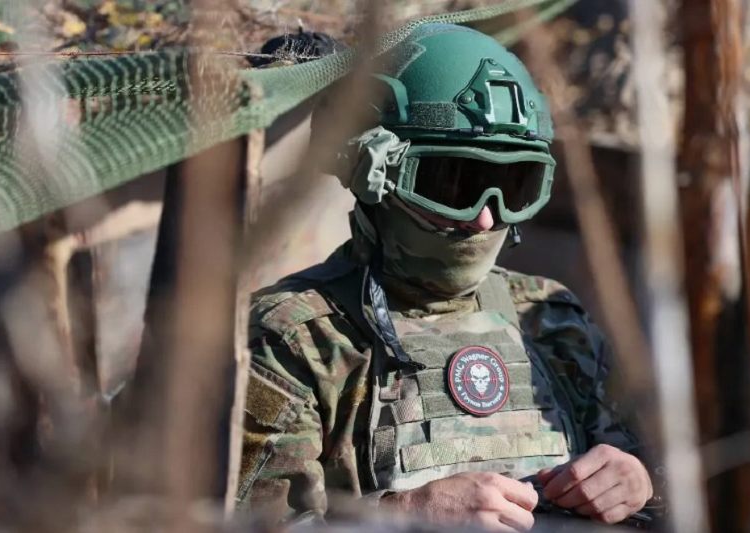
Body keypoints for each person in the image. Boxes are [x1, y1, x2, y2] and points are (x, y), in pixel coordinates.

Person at [237, 23, 663, 531]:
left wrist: (639, 483)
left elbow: (658, 485)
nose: (485, 218)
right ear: (376, 175)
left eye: (513, 185)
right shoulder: (291, 339)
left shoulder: (549, 319)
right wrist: (404, 515)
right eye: (453, 185)